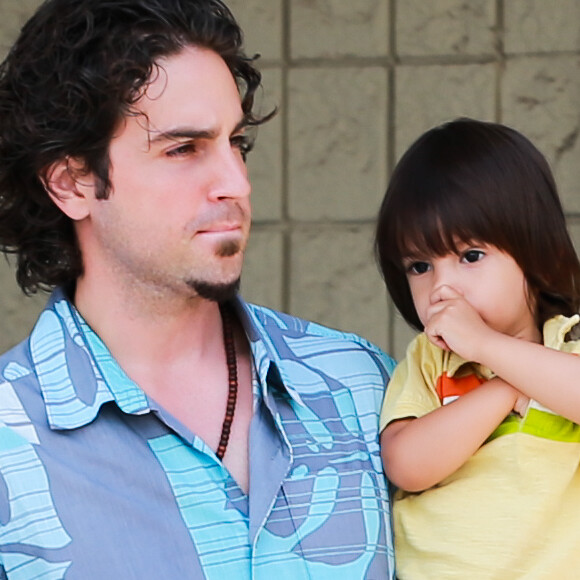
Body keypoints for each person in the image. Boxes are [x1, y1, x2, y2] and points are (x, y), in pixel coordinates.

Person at [0, 0, 396, 578]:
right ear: (73, 182)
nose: (235, 182)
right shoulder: (11, 441)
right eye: (184, 149)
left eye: (236, 142)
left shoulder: (362, 385)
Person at [374, 117, 580, 579]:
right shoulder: (430, 360)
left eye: (470, 256)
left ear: (534, 253)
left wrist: (489, 346)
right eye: (419, 265)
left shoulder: (568, 343)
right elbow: (406, 464)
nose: (442, 286)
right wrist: (504, 387)